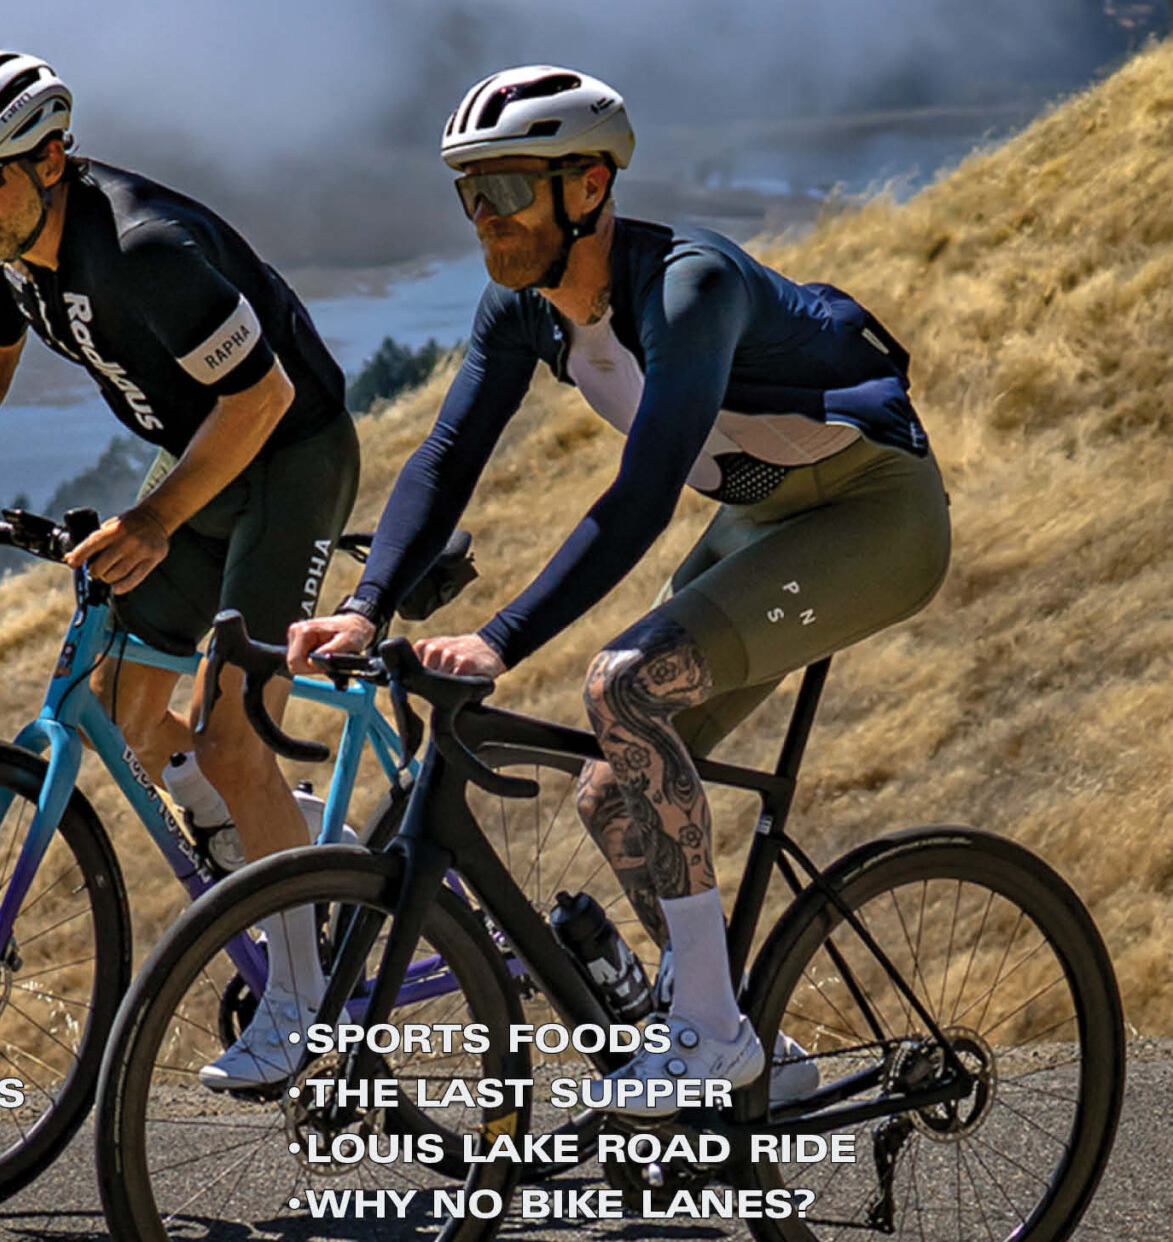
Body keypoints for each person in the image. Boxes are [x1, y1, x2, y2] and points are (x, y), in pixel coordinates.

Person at [290, 65, 951, 1107]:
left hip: (872, 521)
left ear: (587, 186)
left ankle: (702, 1034)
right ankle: (740, 1044)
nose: (481, 216)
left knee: (622, 690)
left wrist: (500, 635)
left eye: (504, 188)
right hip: (766, 521)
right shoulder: (522, 306)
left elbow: (641, 497)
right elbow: (448, 449)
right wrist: (366, 602)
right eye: (466, 190)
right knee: (613, 788)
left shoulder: (686, 289)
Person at [0, 49, 360, 1089]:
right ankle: (299, 846)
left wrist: (156, 516)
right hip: (204, 466)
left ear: (49, 158)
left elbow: (261, 402)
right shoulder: (9, 238)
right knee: (119, 715)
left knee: (233, 732)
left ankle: (304, 1006)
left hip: (288, 461)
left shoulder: (144, 250)